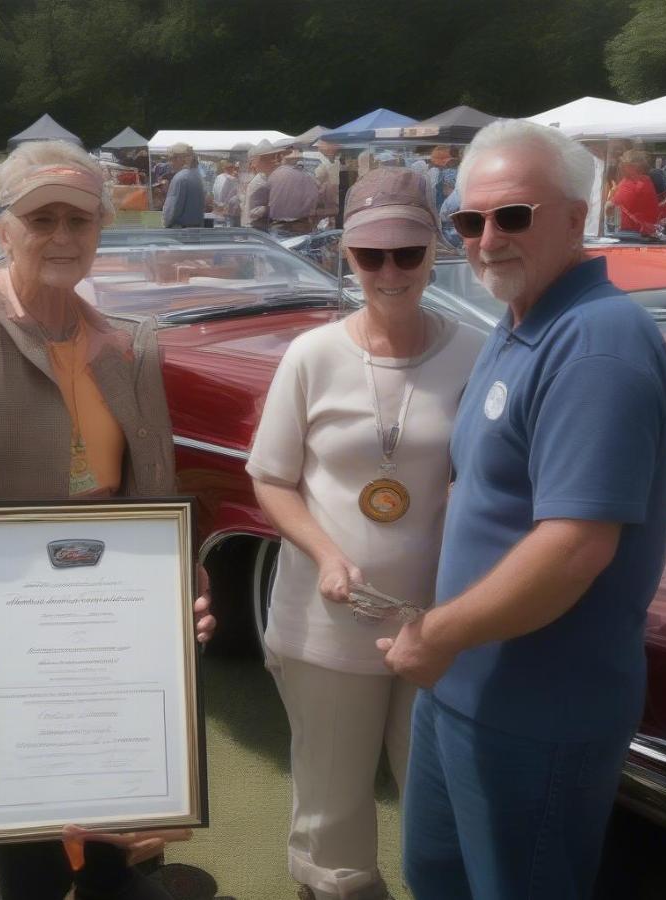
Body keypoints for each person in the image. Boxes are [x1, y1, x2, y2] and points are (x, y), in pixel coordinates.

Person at [0, 140, 217, 900]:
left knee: (115, 820)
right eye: (43, 219)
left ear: (100, 228)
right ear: (3, 226)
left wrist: (183, 573)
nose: (63, 237)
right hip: (11, 613)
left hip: (109, 604)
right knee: (29, 834)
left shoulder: (129, 340)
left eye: (80, 219)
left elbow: (153, 483)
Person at [379, 119, 666, 900]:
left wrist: (435, 633)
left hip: (538, 710)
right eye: (468, 221)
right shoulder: (521, 327)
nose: (486, 240)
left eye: (512, 216)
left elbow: (575, 547)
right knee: (435, 879)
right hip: (465, 690)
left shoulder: (598, 342)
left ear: (577, 217)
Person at [246, 167, 482, 900]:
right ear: (344, 256)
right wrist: (324, 552)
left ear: (435, 250)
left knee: (438, 802)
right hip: (327, 623)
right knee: (332, 807)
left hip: (440, 624)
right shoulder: (312, 356)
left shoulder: (477, 351)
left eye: (406, 254)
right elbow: (272, 479)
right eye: (369, 255)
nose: (389, 271)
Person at [606, 149, 660, 236]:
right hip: (642, 232)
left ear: (632, 167)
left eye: (622, 164)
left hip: (631, 235)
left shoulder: (633, 184)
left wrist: (609, 198)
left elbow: (609, 207)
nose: (620, 166)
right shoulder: (646, 181)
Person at [267, 150, 319, 237]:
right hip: (300, 225)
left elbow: (266, 200)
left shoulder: (273, 175)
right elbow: (313, 200)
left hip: (277, 225)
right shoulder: (306, 177)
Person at [162, 142, 205, 228]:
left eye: (171, 159)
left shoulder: (180, 178)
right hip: (196, 228)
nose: (170, 163)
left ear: (179, 159)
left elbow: (172, 209)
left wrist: (165, 224)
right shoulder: (197, 175)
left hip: (180, 231)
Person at [241, 141, 280, 231]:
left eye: (254, 161)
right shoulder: (259, 180)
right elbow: (253, 211)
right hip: (257, 227)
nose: (253, 165)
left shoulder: (266, 178)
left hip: (260, 227)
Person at [212, 159, 240, 226]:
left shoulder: (219, 177)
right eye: (233, 167)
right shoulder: (232, 179)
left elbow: (214, 192)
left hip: (218, 209)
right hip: (227, 210)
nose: (235, 170)